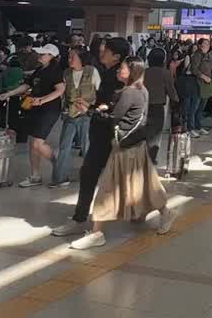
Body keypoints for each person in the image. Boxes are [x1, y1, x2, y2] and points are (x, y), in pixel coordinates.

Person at [67, 59, 176, 249]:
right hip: (135, 146)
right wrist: (105, 109)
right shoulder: (142, 89)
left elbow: (114, 119)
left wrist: (90, 110)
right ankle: (165, 212)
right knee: (145, 186)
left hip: (124, 149)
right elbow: (123, 114)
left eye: (122, 68)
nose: (119, 70)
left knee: (106, 190)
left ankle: (97, 233)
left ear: (132, 71)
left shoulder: (129, 92)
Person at [51, 37, 128, 238]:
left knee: (96, 175)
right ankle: (84, 219)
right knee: (95, 175)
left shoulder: (118, 78)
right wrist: (91, 108)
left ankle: (85, 222)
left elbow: (113, 108)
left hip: (109, 134)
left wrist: (92, 110)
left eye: (106, 50)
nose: (102, 52)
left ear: (116, 56)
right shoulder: (108, 72)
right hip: (103, 131)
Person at [0, 44, 65, 186]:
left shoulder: (55, 71)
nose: (39, 56)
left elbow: (60, 90)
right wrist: (9, 93)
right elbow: (27, 85)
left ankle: (59, 166)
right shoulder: (39, 70)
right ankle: (35, 175)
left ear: (51, 56)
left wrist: (42, 100)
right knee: (32, 142)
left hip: (49, 110)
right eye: (40, 53)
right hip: (35, 108)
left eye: (43, 54)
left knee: (37, 143)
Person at [49, 47, 100, 188]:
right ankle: (59, 178)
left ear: (81, 58)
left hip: (87, 115)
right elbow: (63, 94)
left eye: (73, 57)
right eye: (69, 57)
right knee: (64, 146)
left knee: (87, 146)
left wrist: (91, 107)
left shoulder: (92, 71)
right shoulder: (66, 73)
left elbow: (99, 92)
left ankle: (91, 177)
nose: (69, 59)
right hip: (70, 114)